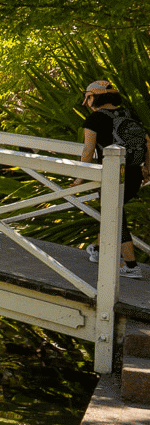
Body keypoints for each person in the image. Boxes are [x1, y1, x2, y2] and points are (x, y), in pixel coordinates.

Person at [80, 80, 150, 278]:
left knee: (116, 218)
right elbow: (148, 143)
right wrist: (148, 169)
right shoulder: (130, 114)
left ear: (93, 97)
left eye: (88, 97)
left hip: (113, 176)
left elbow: (87, 151)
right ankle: (98, 249)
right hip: (135, 173)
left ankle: (130, 266)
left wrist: (80, 178)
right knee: (114, 212)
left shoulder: (94, 120)